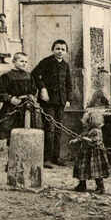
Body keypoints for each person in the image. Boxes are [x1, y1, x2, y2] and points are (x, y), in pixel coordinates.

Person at [32, 39, 72, 168]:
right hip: (48, 101)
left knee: (58, 129)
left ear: (65, 52)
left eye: (63, 49)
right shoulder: (46, 62)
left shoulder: (65, 65)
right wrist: (42, 89)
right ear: (53, 50)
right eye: (57, 48)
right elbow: (35, 74)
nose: (60, 51)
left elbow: (68, 83)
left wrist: (68, 99)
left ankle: (56, 157)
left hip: (60, 101)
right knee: (49, 129)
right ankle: (46, 159)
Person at [0, 52, 42, 153]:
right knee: (11, 127)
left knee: (27, 126)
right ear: (14, 62)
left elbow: (33, 89)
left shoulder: (29, 76)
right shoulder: (7, 76)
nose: (24, 63)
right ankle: (10, 148)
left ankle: (24, 147)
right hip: (12, 107)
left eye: (26, 62)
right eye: (21, 61)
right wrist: (10, 99)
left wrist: (32, 95)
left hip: (26, 106)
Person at [70, 109, 110, 194]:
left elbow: (94, 141)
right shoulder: (87, 130)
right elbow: (81, 136)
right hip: (85, 153)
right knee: (82, 169)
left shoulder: (96, 131)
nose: (84, 124)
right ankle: (82, 185)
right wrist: (75, 140)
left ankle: (100, 187)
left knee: (97, 171)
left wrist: (84, 139)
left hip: (94, 154)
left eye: (86, 122)